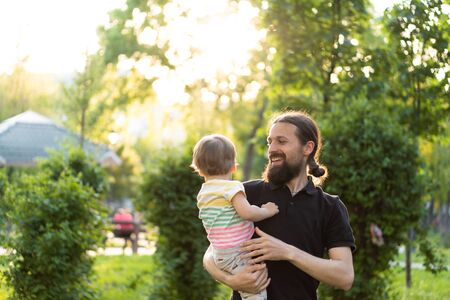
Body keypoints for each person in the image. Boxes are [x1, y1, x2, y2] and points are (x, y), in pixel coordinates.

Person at [203, 111, 356, 300]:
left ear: (307, 148)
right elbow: (211, 253)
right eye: (270, 142)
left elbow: (345, 276)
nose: (272, 149)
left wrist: (287, 252)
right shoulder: (244, 194)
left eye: (281, 141)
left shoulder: (330, 207)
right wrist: (230, 280)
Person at [192, 134, 280, 300]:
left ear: (199, 168)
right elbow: (247, 213)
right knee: (254, 289)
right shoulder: (231, 188)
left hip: (219, 253)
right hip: (236, 253)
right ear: (233, 167)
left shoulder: (203, 193)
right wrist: (267, 211)